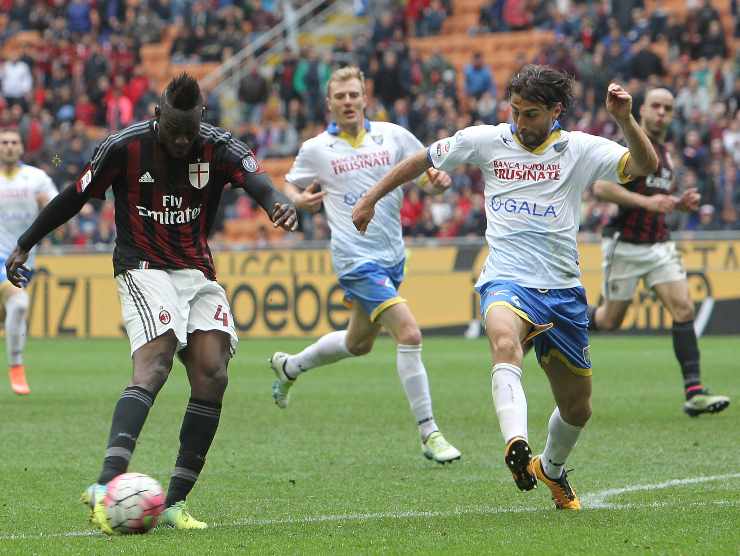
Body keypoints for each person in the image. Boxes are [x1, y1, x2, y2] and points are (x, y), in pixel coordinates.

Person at [352, 65, 660, 510]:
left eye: (531, 114)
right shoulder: (487, 140)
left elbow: (645, 165)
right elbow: (424, 158)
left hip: (562, 290)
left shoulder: (578, 149)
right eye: (514, 111)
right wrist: (369, 198)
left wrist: (625, 120)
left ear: (556, 111)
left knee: (578, 409)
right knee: (503, 341)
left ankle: (549, 468)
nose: (520, 122)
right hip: (506, 279)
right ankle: (516, 443)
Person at [4, 73, 297, 533]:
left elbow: (261, 183)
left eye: (190, 131)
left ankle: (176, 502)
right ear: (158, 115)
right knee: (156, 359)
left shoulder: (218, 145)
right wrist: (24, 244)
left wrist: (277, 204)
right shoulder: (124, 146)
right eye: (174, 130)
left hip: (196, 271)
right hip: (142, 267)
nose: (182, 141)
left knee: (213, 372)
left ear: (202, 118)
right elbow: (74, 196)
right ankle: (106, 484)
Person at [270, 66, 461, 464]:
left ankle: (291, 367)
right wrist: (297, 199)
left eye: (354, 95)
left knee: (358, 343)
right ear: (330, 103)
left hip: (392, 256)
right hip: (354, 259)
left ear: (364, 97)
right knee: (408, 333)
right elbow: (290, 184)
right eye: (340, 97)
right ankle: (430, 432)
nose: (348, 102)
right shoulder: (317, 148)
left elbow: (424, 175)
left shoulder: (392, 135)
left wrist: (437, 182)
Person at [588, 87, 730, 417]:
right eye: (656, 106)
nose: (662, 113)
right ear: (642, 111)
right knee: (609, 320)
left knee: (683, 307)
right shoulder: (628, 147)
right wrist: (648, 202)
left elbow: (658, 199)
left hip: (659, 244)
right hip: (626, 245)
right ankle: (557, 321)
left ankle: (694, 391)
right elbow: (602, 188)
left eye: (667, 107)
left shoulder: (666, 154)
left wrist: (679, 202)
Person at [0, 128, 58, 395]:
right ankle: (16, 366)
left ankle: (14, 361)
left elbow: (60, 210)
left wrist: (47, 206)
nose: (9, 146)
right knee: (19, 303)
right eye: (4, 142)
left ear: (21, 148)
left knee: (15, 309)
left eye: (14, 142)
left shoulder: (37, 178)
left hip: (23, 258)